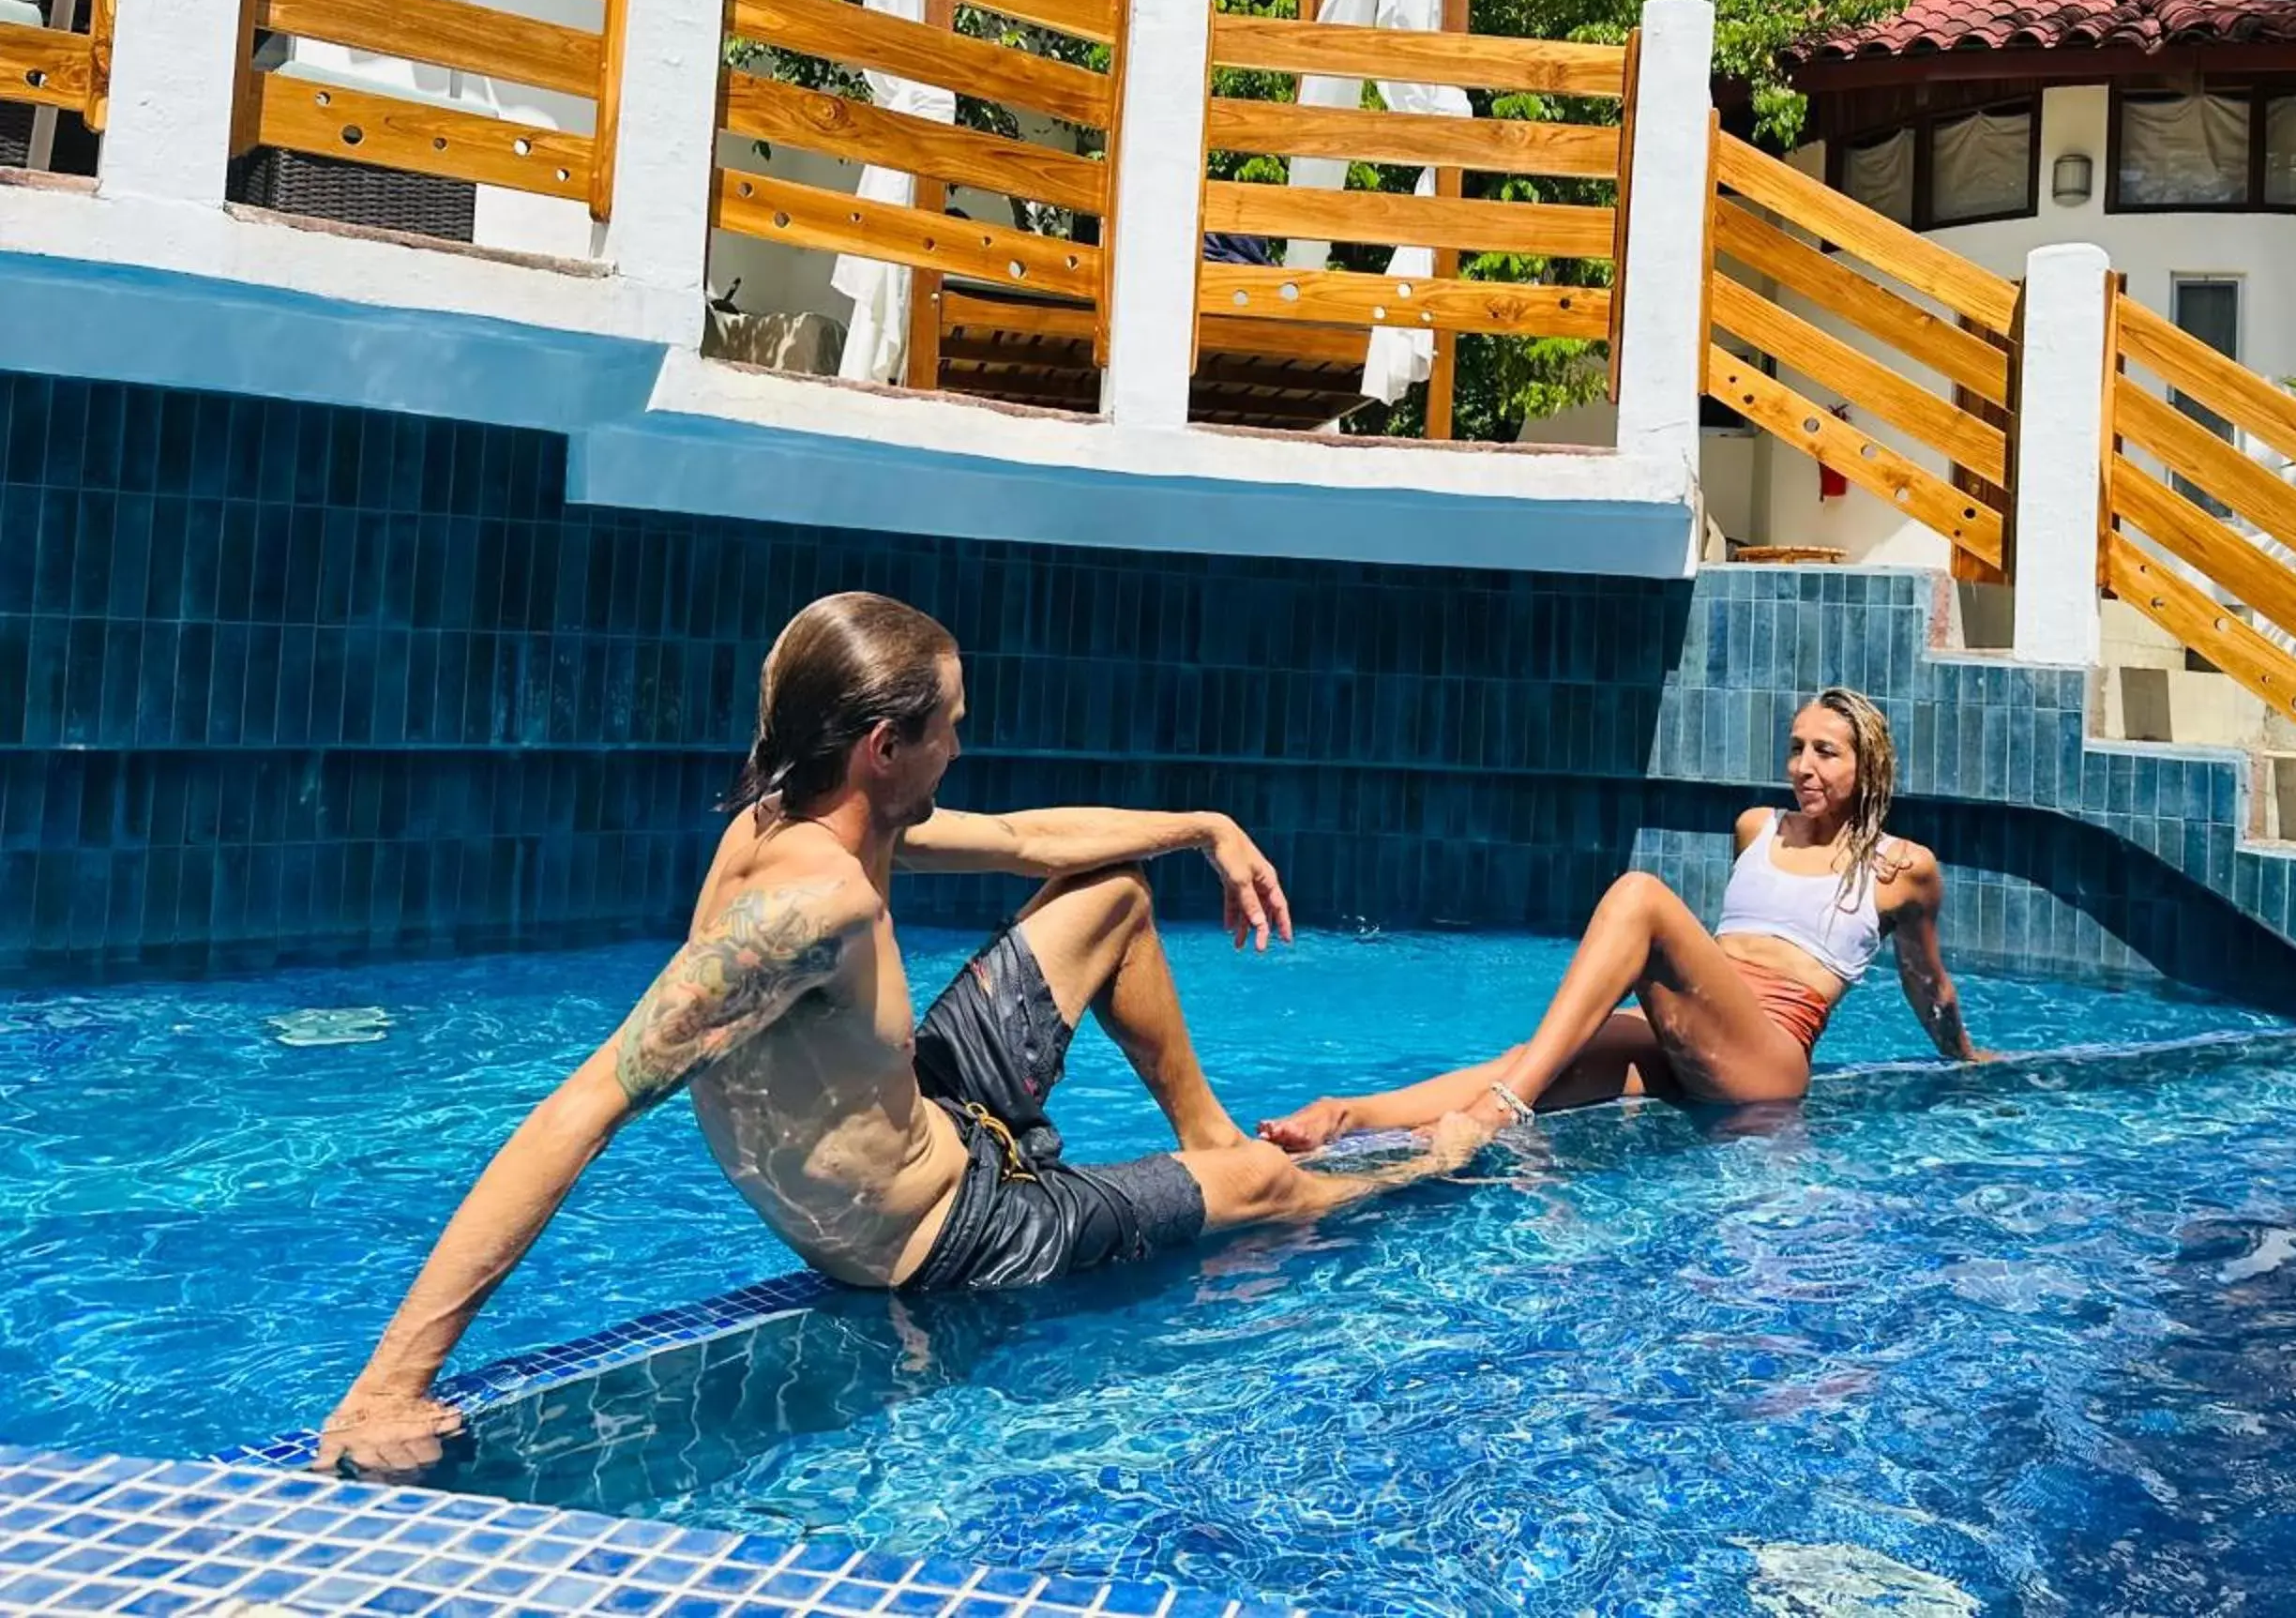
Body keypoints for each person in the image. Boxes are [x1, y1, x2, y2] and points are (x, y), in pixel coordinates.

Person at [315, 591, 1460, 1479]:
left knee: (1108, 895)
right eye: (950, 729)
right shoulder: (808, 908)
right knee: (1267, 1188)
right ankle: (1434, 1160)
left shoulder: (819, 813)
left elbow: (1026, 838)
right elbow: (584, 1108)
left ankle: (1203, 1135)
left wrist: (1206, 826)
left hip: (942, 1120)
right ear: (883, 744)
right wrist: (393, 1381)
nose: (958, 748)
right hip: (948, 1235)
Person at [1261, 688, 1980, 1152]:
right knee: (1540, 1054)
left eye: (1826, 751)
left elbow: (1928, 982)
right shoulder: (1758, 827)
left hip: (1766, 1062)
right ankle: (1349, 1116)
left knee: (1638, 895)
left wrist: (1965, 1061)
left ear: (1869, 764)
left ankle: (1500, 1110)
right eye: (1796, 748)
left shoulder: (1901, 866)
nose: (1803, 766)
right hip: (1695, 1034)